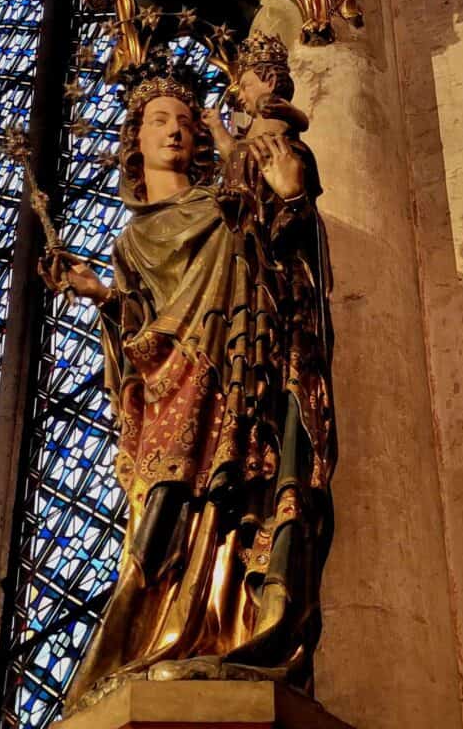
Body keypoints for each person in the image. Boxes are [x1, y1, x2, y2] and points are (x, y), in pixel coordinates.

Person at [42, 36, 336, 714]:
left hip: (245, 389)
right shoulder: (131, 240)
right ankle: (162, 638)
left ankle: (240, 631)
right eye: (158, 121)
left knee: (242, 512)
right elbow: (137, 349)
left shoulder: (230, 199)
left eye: (184, 119)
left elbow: (290, 268)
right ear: (133, 143)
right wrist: (101, 298)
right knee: (169, 518)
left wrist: (290, 203)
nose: (174, 129)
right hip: (175, 404)